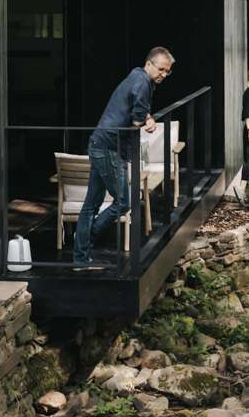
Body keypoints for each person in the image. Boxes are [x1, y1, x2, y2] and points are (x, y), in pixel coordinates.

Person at [74, 46, 174, 269]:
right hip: (109, 147)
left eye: (168, 71)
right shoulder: (143, 82)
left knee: (92, 204)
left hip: (101, 144)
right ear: (150, 64)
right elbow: (138, 120)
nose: (164, 75)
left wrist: (145, 116)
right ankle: (85, 239)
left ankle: (80, 257)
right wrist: (145, 120)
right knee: (123, 202)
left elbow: (136, 108)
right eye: (161, 69)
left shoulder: (137, 75)